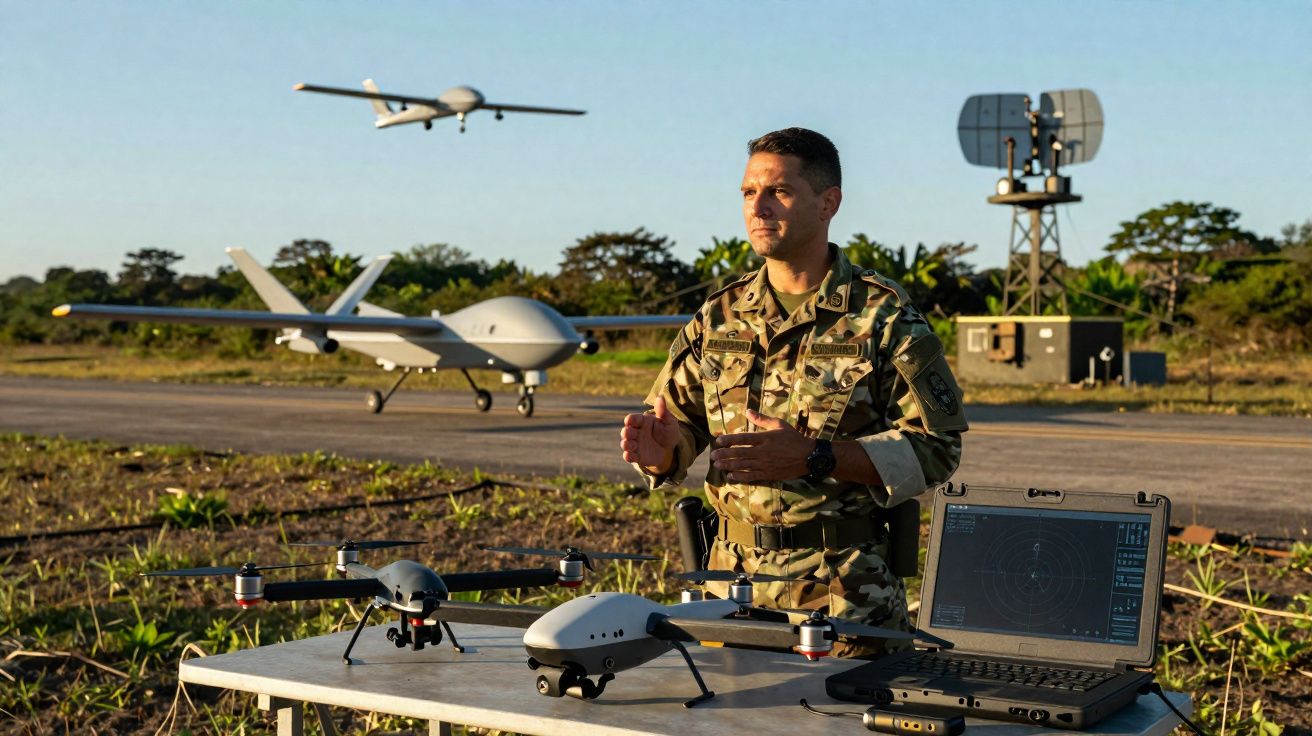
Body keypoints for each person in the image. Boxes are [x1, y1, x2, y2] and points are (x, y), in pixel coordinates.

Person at [619, 127, 967, 655]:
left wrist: (816, 457)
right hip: (730, 594)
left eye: (778, 192)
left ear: (829, 203)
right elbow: (679, 422)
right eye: (747, 192)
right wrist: (663, 450)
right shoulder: (719, 315)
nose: (757, 207)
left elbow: (938, 449)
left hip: (847, 601)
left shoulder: (882, 315)